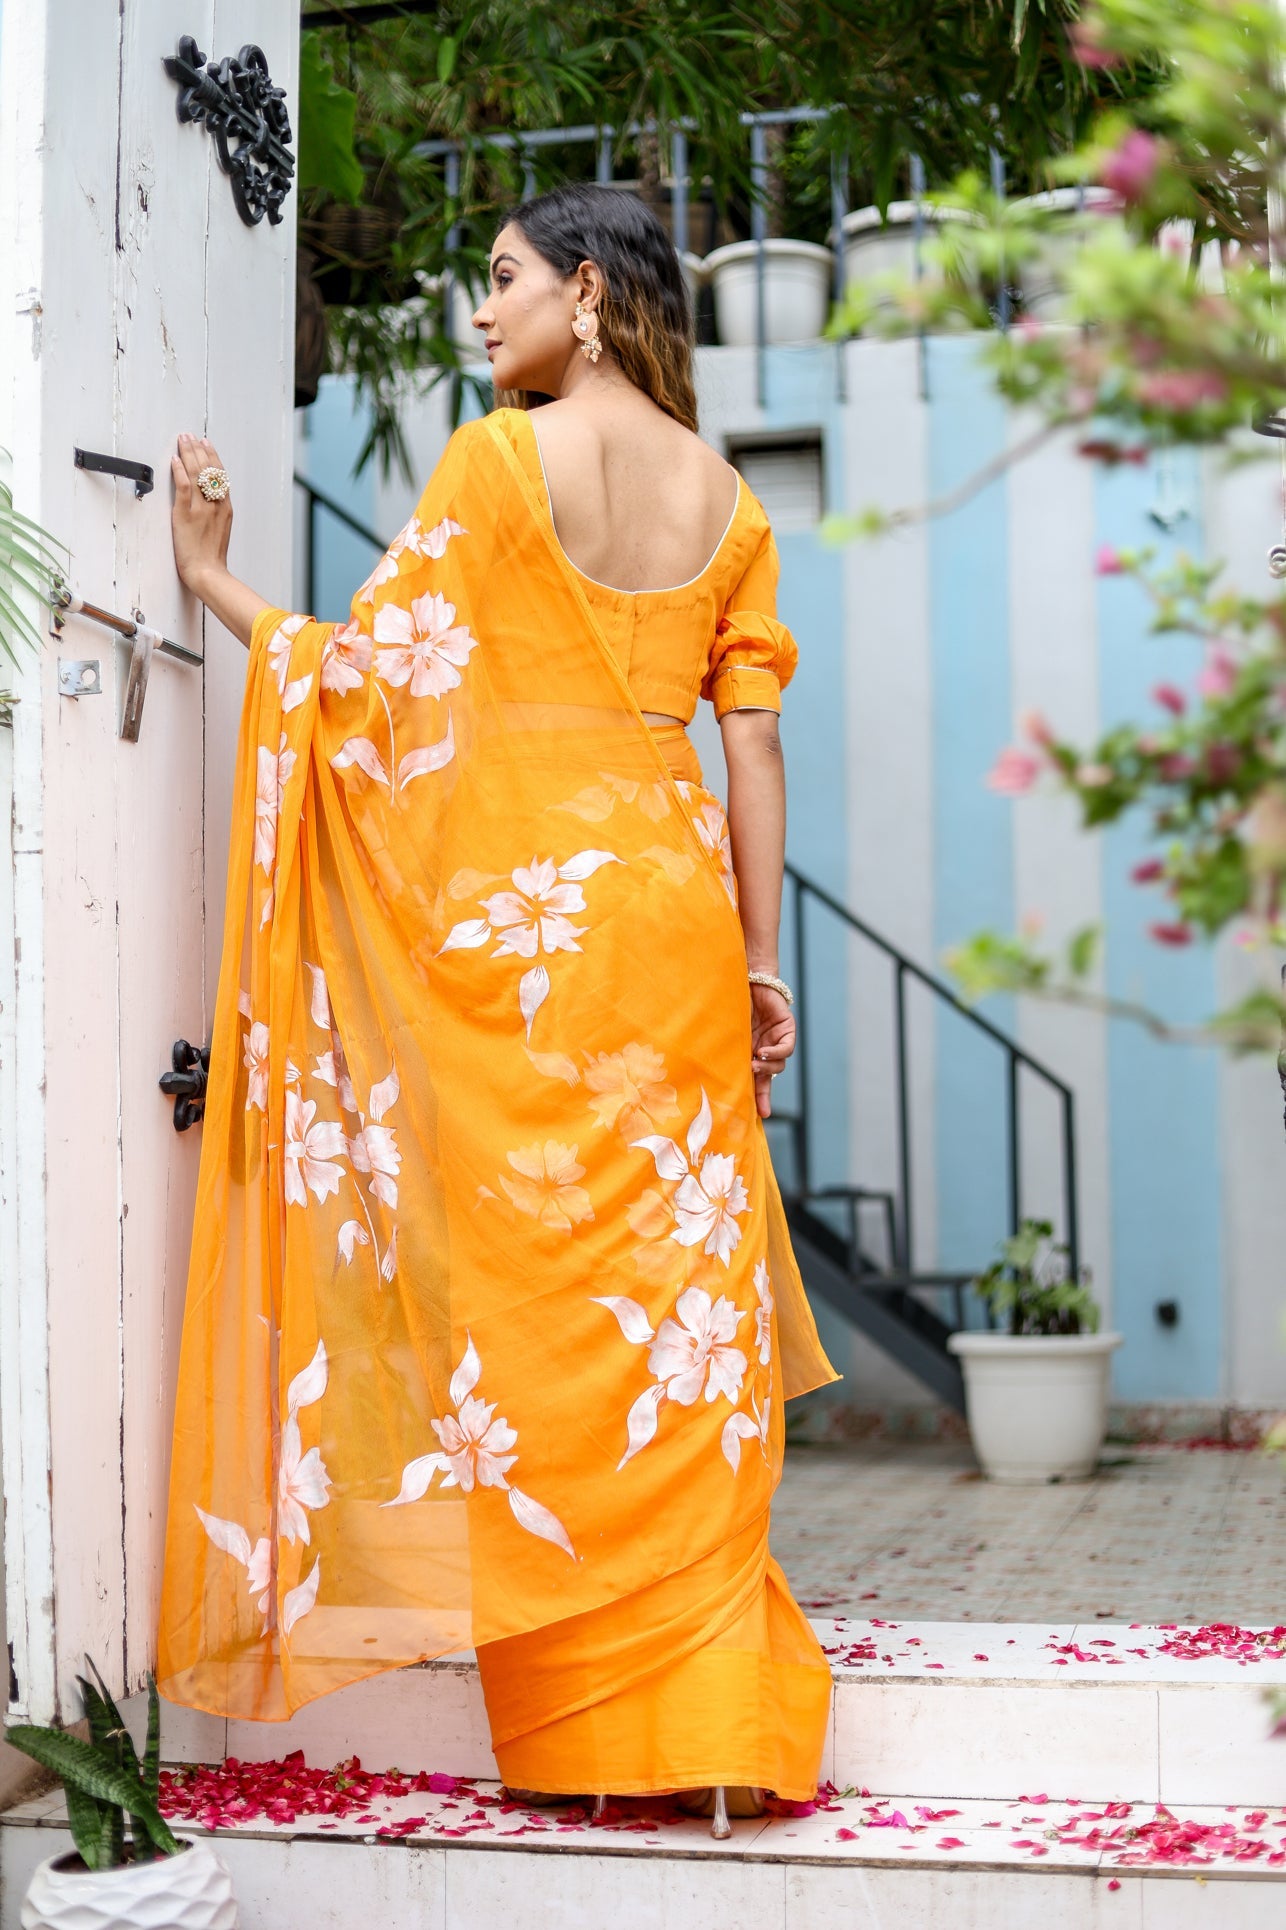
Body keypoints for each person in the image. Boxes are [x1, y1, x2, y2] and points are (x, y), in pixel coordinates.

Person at [158, 183, 838, 1829]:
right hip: (673, 916)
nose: (482, 309)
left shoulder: (495, 463)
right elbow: (751, 745)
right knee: (683, 1305)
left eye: (503, 276)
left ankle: (604, 1739)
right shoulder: (728, 501)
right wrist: (761, 961)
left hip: (534, 933)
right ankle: (713, 1722)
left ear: (584, 293)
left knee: (547, 1303)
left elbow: (367, 685)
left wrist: (214, 581)